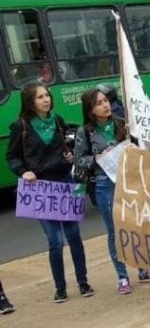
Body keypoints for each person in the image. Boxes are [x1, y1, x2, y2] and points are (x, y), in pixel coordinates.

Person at [6, 83, 94, 303]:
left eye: (47, 95)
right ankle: (60, 287)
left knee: (74, 236)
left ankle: (83, 281)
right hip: (40, 189)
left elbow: (65, 146)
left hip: (65, 183)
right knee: (55, 240)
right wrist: (23, 171)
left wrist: (69, 156)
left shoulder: (57, 120)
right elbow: (12, 156)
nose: (46, 100)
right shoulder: (21, 127)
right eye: (40, 97)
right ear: (30, 102)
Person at [74, 89, 133, 294]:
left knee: (135, 226)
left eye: (106, 100)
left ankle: (144, 269)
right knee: (114, 231)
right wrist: (98, 157)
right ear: (90, 110)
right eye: (99, 103)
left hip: (128, 182)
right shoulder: (85, 132)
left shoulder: (121, 123)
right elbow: (79, 161)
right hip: (104, 184)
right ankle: (123, 276)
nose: (105, 105)